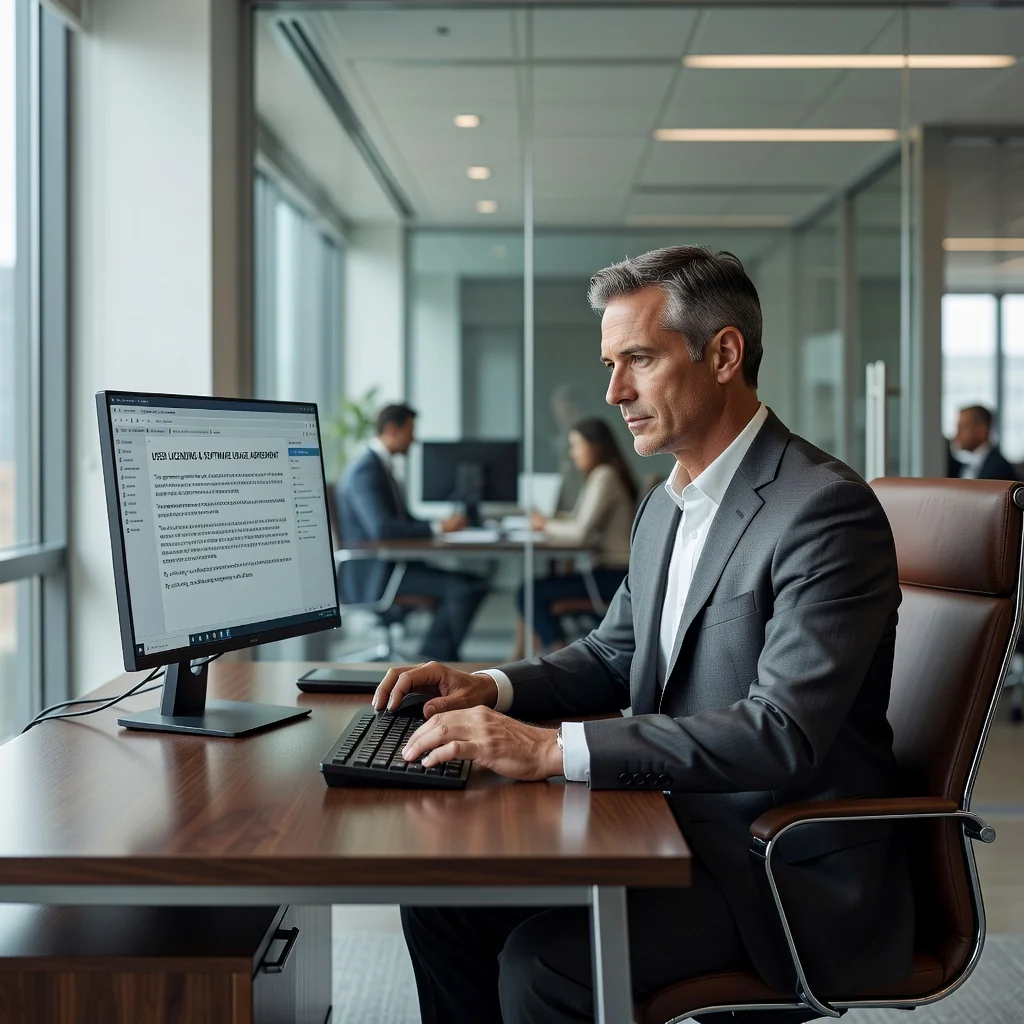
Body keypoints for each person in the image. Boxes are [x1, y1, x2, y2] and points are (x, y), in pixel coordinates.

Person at [373, 246, 915, 1024]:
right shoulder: (666, 504)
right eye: (610, 363)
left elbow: (783, 732)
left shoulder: (821, 510)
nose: (614, 391)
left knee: (544, 969)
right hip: (666, 825)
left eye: (638, 360)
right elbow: (614, 652)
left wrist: (552, 751)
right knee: (442, 906)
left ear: (724, 354)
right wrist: (489, 686)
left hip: (771, 868)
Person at [337, 404, 488, 662]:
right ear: (392, 429)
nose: (414, 440)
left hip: (392, 566)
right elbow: (382, 528)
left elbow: (402, 520)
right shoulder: (366, 469)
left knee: (471, 583)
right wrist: (437, 528)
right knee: (464, 588)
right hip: (377, 574)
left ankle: (437, 658)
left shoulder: (380, 467)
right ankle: (435, 658)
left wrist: (439, 525)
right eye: (410, 431)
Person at [510, 417, 637, 659]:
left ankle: (560, 657)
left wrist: (545, 524)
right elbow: (580, 520)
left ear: (595, 446)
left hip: (612, 576)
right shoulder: (602, 475)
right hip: (608, 572)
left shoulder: (604, 475)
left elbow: (581, 532)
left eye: (576, 446)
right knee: (537, 590)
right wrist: (552, 521)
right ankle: (545, 655)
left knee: (529, 593)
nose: (573, 453)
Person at [948, 404, 1018, 480]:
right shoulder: (966, 465)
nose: (957, 434)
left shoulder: (998, 467)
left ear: (982, 430)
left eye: (964, 427)